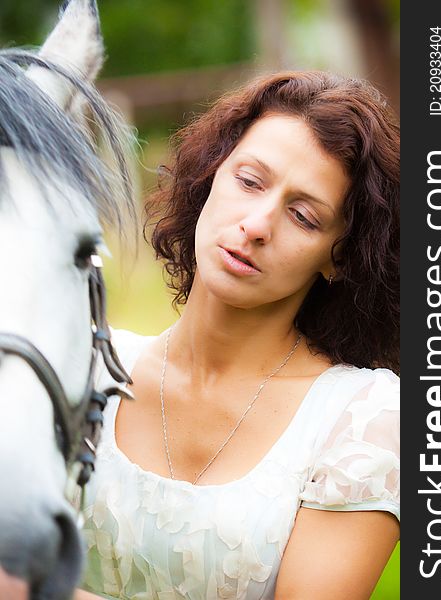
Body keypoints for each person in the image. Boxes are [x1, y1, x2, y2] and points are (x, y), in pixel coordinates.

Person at [75, 70, 400, 600]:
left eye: (303, 215)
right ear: (211, 176)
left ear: (339, 259)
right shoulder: (79, 360)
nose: (256, 224)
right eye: (249, 181)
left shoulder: (363, 422)